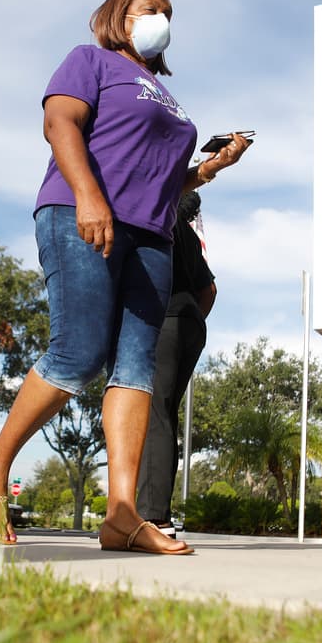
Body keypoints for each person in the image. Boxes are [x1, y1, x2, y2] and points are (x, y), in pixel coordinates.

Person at [0, 0, 248, 553]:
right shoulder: (89, 61)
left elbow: (164, 178)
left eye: (169, 13)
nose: (162, 20)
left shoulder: (165, 93)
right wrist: (89, 196)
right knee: (80, 350)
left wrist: (210, 167)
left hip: (152, 234)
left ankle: (122, 513)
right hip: (80, 213)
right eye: (151, 10)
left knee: (137, 367)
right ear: (120, 15)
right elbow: (60, 125)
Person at [136, 189, 214, 538]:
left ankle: (153, 518)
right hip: (189, 321)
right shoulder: (186, 232)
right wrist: (189, 319)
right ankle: (150, 513)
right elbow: (209, 290)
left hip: (165, 318)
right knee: (162, 415)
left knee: (153, 414)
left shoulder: (150, 212)